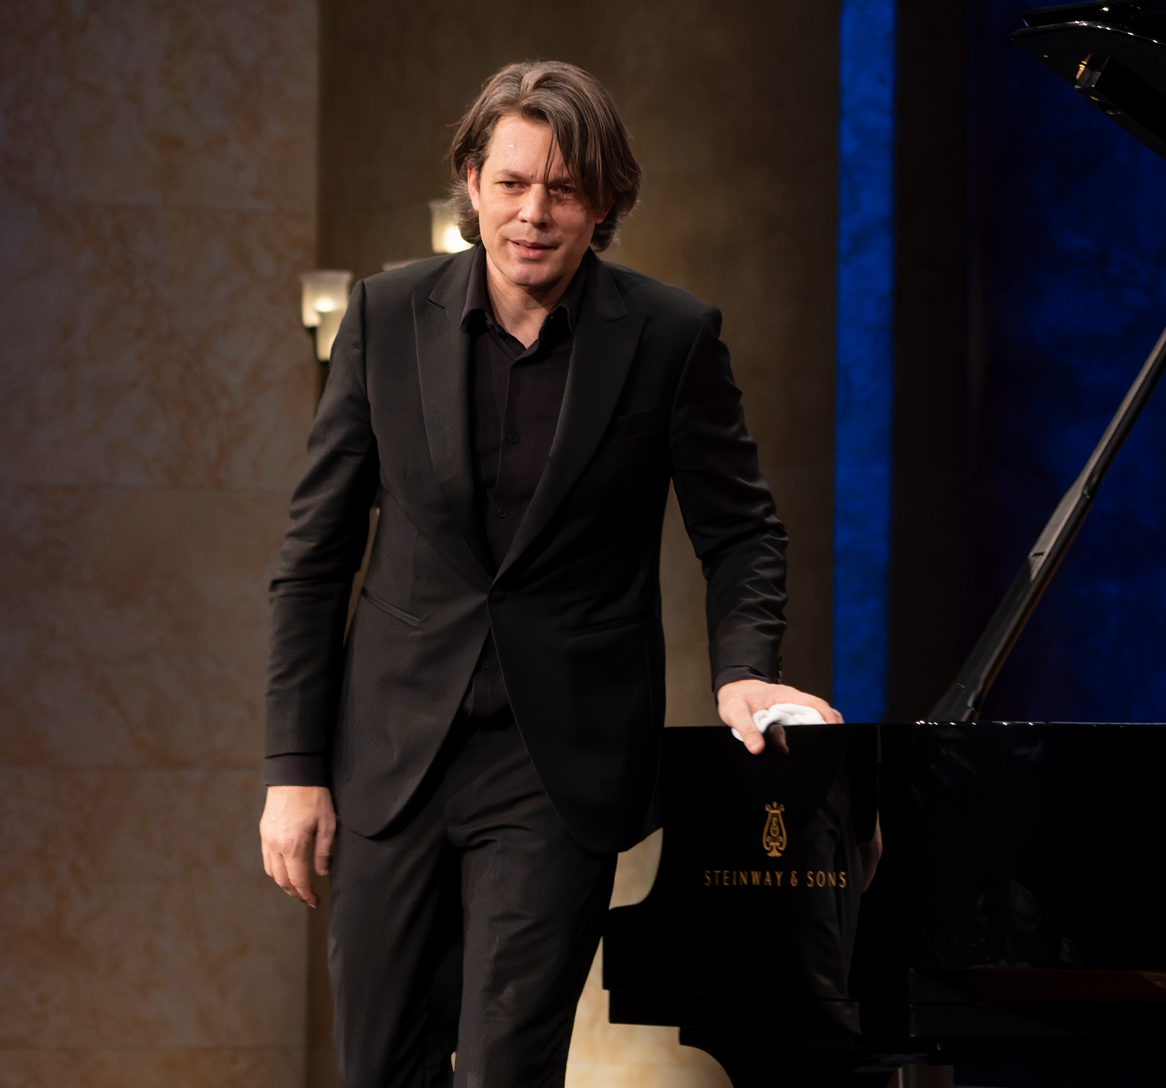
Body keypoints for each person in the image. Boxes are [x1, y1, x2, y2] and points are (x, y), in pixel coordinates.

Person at [257, 60, 838, 1086]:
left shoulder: (670, 337)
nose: (534, 212)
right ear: (471, 183)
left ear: (605, 202)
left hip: (556, 766)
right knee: (379, 1065)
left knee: (507, 1068)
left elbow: (742, 530)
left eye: (564, 189)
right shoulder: (385, 316)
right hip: (391, 753)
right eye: (513, 182)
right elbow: (314, 558)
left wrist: (744, 668)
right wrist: (292, 769)